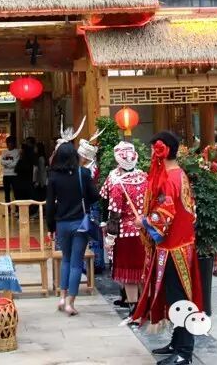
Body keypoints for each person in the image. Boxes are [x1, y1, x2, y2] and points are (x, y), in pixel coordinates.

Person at [132, 131, 204, 365]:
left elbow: (164, 215)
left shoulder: (169, 179)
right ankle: (177, 342)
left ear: (160, 151)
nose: (151, 154)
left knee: (179, 299)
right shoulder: (178, 173)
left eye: (153, 149)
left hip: (174, 248)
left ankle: (184, 352)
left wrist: (143, 221)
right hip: (180, 244)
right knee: (177, 297)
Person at [46, 141, 98, 316]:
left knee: (66, 260)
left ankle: (62, 297)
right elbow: (94, 196)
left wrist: (50, 227)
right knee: (76, 263)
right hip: (80, 223)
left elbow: (49, 205)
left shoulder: (53, 177)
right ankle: (70, 302)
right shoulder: (83, 173)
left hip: (62, 223)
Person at [100, 141, 148, 311]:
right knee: (143, 272)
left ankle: (133, 308)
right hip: (145, 232)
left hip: (125, 234)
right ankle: (145, 306)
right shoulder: (145, 178)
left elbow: (114, 214)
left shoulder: (117, 183)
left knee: (129, 275)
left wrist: (110, 238)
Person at [77, 130, 105, 273]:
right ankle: (95, 263)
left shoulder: (88, 170)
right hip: (90, 205)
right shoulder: (91, 168)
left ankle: (92, 264)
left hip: (89, 205)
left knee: (90, 234)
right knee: (92, 234)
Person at [0, 135, 19, 203]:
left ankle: (17, 208)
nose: (8, 145)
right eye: (7, 143)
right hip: (5, 175)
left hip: (14, 175)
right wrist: (10, 161)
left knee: (16, 193)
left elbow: (15, 163)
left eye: (10, 143)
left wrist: (6, 163)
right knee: (6, 193)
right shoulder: (4, 152)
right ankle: (7, 208)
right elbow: (1, 162)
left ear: (13, 143)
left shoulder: (17, 152)